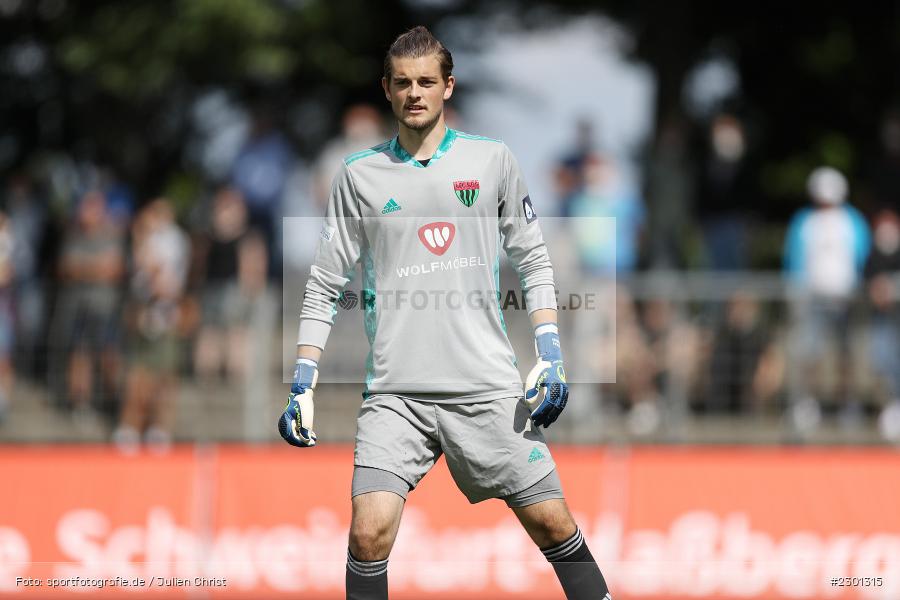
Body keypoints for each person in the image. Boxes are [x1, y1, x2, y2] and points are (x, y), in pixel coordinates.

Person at [280, 26, 612, 600]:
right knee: (368, 531)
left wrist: (550, 350)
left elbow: (532, 257)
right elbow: (325, 281)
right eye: (403, 82)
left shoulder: (492, 161)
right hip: (395, 394)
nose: (415, 93)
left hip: (484, 386)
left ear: (448, 87)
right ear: (386, 89)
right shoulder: (359, 176)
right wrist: (303, 379)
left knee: (553, 523)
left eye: (427, 81)